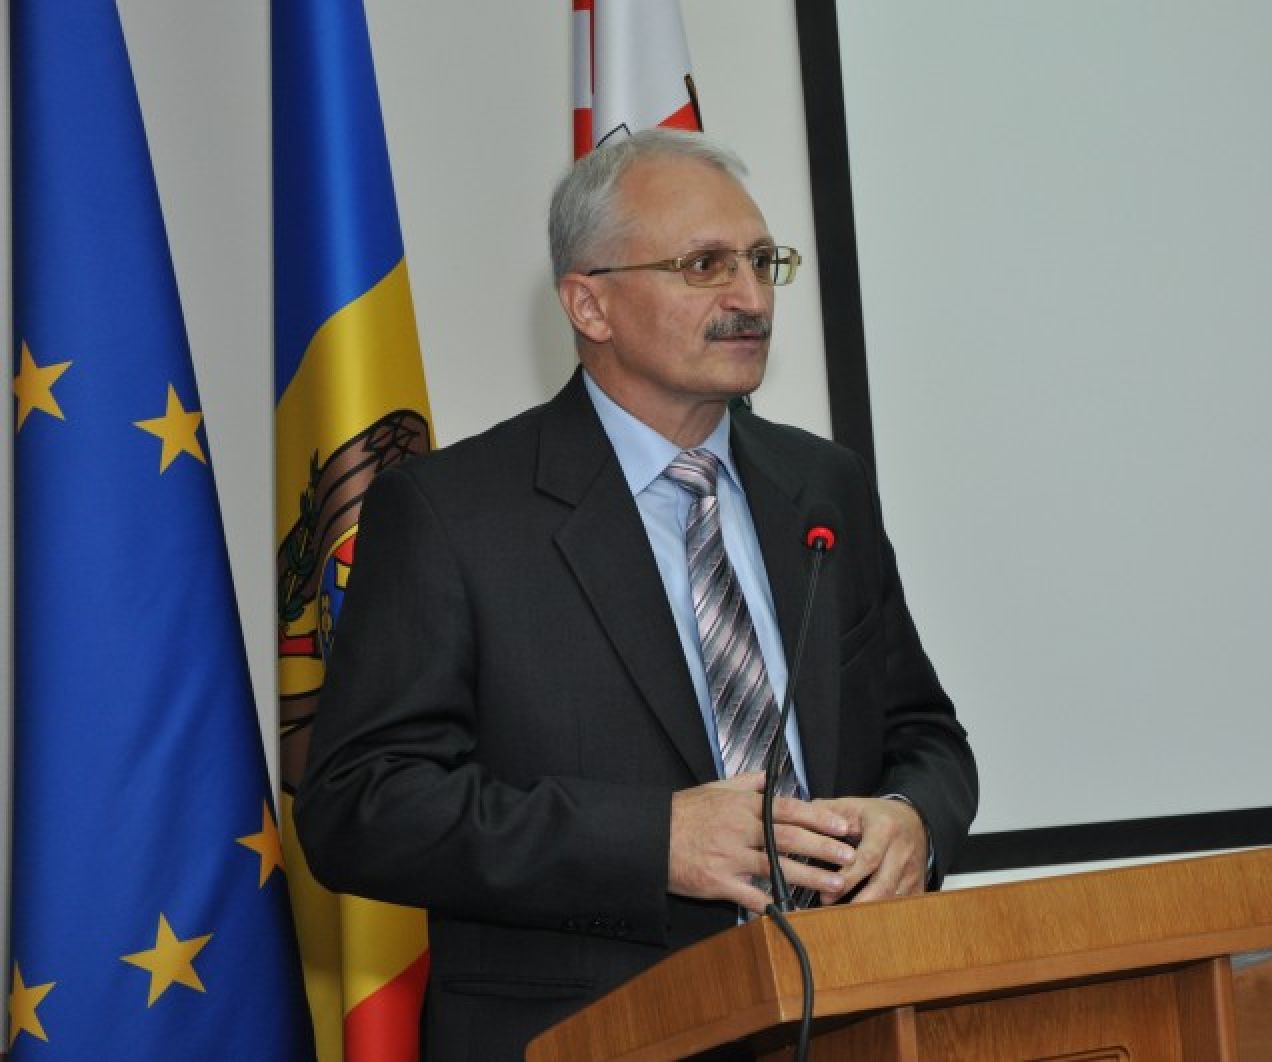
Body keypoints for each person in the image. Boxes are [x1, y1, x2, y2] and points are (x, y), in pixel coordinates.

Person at [295, 129, 978, 1059]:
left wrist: (913, 821)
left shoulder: (823, 486)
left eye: (762, 261)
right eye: (704, 265)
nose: (750, 299)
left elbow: (924, 735)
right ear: (590, 304)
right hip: (587, 1033)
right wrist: (650, 842)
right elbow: (359, 807)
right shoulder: (453, 513)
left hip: (851, 1021)